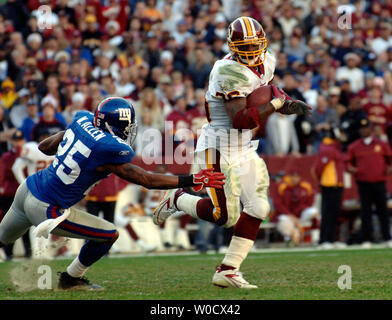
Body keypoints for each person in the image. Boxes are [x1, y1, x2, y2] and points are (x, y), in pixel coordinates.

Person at [0, 97, 225, 290]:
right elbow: (145, 179)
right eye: (127, 126)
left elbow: (45, 148)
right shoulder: (109, 148)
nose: (129, 130)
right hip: (47, 208)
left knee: (1, 238)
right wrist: (192, 179)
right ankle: (71, 279)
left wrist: (69, 133)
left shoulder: (81, 120)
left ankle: (71, 278)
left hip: (27, 190)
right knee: (109, 234)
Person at [152, 17, 311, 289]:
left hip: (245, 146)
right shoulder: (227, 71)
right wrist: (276, 102)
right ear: (232, 46)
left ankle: (227, 269)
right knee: (225, 217)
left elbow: (269, 92)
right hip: (218, 147)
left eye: (254, 46)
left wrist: (287, 102)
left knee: (259, 206)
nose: (250, 52)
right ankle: (178, 200)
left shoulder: (267, 59)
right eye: (244, 47)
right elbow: (242, 119)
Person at [345, 118, 392, 248]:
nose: (364, 130)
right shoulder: (354, 146)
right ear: (360, 131)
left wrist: (389, 167)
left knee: (383, 211)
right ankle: (367, 239)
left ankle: (387, 237)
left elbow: (390, 158)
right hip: (363, 182)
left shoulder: (380, 144)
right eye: (362, 128)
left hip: (379, 181)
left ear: (370, 129)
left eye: (366, 128)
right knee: (365, 212)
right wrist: (351, 169)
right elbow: (347, 162)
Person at [0, 130, 31, 260]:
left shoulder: (29, 155)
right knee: (9, 223)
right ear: (12, 142)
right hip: (10, 194)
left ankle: (28, 251)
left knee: (26, 223)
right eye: (16, 141)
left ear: (24, 141)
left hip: (23, 193)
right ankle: (8, 253)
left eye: (20, 140)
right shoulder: (7, 156)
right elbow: (3, 175)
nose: (18, 143)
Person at [314, 128, 345, 249]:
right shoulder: (328, 148)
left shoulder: (335, 147)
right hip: (329, 184)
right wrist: (322, 180)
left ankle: (332, 239)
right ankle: (324, 239)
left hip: (337, 184)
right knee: (327, 213)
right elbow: (319, 167)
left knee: (335, 213)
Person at [273, 170, 319, 246]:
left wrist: (299, 211)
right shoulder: (282, 186)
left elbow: (309, 203)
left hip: (300, 215)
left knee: (314, 212)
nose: (295, 179)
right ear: (289, 177)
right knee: (283, 219)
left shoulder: (305, 186)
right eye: (293, 176)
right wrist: (291, 216)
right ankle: (288, 239)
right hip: (287, 215)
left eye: (297, 177)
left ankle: (315, 238)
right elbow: (278, 204)